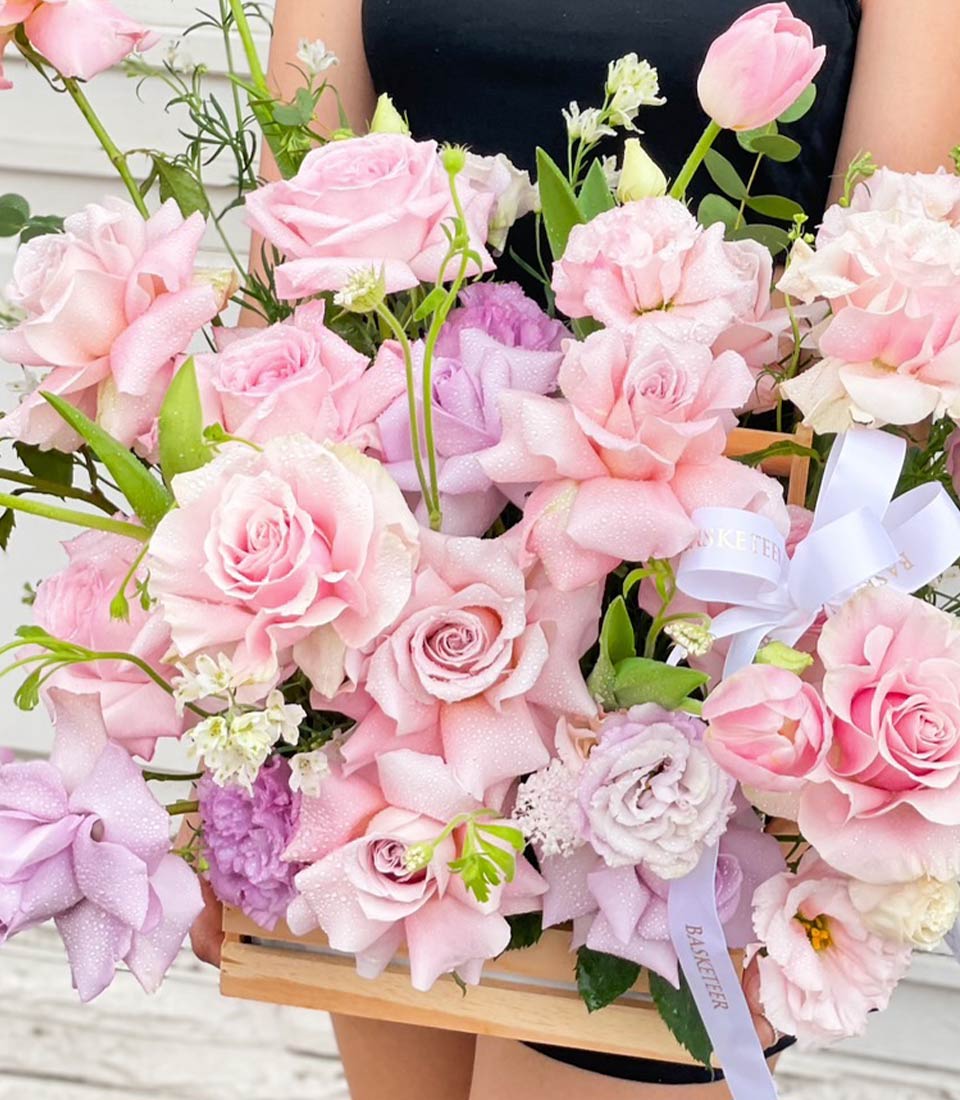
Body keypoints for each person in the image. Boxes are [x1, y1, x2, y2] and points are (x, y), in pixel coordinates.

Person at [190, 1, 960, 1097]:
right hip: (394, 652)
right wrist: (234, 759)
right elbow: (285, 298)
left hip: (679, 672)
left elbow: (895, 311)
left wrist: (799, 790)